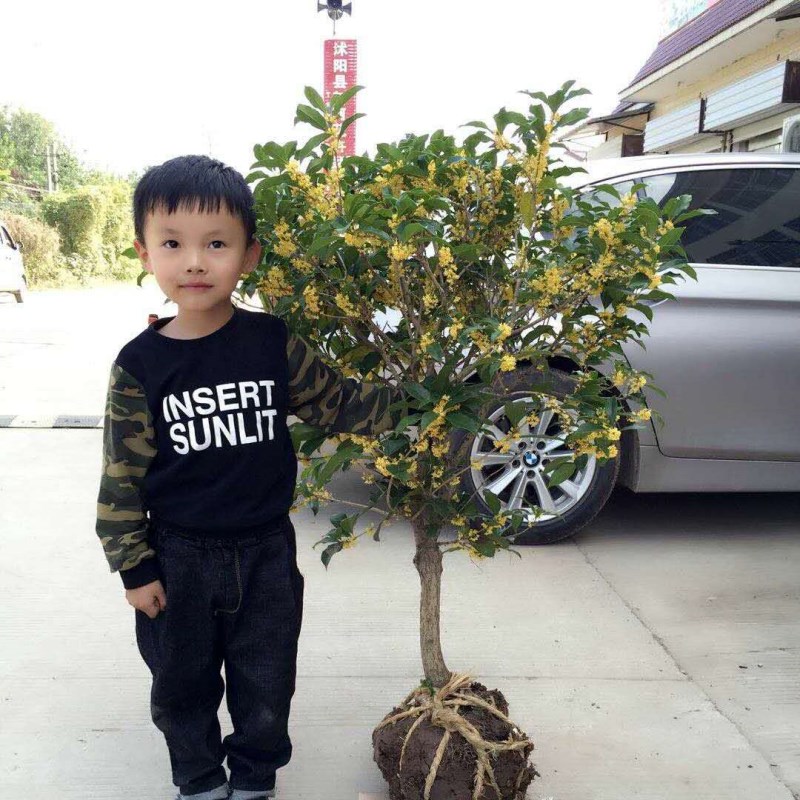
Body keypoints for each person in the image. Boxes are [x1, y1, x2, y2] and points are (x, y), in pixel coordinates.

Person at [95, 154, 399, 800]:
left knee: (266, 680)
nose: (195, 262)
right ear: (144, 253)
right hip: (178, 557)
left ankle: (256, 779)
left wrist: (421, 405)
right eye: (172, 243)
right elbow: (121, 474)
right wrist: (135, 568)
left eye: (217, 244)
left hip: (265, 552)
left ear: (249, 255)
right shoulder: (140, 365)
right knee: (181, 683)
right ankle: (200, 780)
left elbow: (338, 402)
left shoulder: (271, 343)